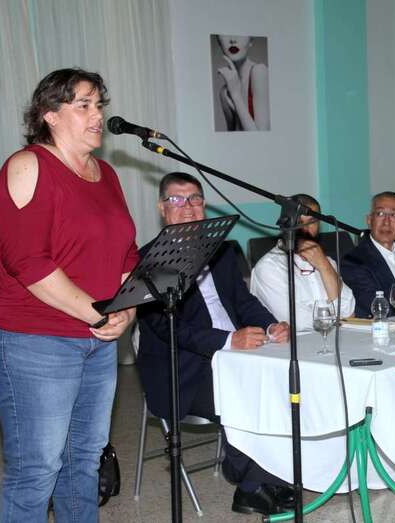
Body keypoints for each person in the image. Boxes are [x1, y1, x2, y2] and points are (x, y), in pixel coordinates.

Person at [0, 68, 139, 521]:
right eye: (83, 105)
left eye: (99, 105)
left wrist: (123, 308)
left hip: (98, 340)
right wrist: (98, 313)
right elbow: (29, 263)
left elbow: (126, 250)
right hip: (33, 341)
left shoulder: (105, 173)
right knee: (37, 469)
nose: (97, 116)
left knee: (84, 463)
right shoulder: (28, 165)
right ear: (49, 114)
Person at [137, 172, 292, 515]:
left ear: (204, 205)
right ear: (163, 208)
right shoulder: (149, 260)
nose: (188, 207)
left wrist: (271, 325)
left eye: (194, 199)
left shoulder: (220, 250)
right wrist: (227, 340)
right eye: (177, 200)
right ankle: (250, 485)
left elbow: (243, 301)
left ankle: (271, 473)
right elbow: (167, 329)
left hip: (235, 352)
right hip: (182, 367)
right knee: (245, 391)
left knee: (288, 377)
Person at [250, 194, 355, 331]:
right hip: (293, 348)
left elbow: (349, 313)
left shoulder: (326, 261)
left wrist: (323, 266)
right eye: (299, 222)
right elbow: (298, 323)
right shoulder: (269, 268)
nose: (305, 229)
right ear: (284, 224)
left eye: (311, 222)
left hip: (335, 342)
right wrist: (337, 316)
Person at [215, 35, 270, 131]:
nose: (232, 40)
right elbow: (232, 139)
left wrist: (236, 95)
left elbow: (261, 138)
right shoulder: (224, 93)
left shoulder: (259, 71)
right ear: (218, 41)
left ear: (251, 40)